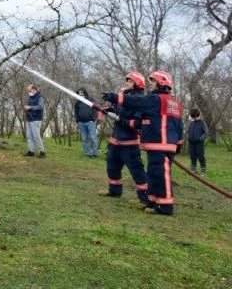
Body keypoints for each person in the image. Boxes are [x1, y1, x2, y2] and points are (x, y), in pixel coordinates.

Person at [103, 70, 184, 215]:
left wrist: (115, 97)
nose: (151, 84)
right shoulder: (174, 103)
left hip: (161, 143)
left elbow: (136, 102)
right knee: (153, 173)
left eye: (153, 81)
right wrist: (179, 143)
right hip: (159, 144)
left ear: (161, 83)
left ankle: (165, 206)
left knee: (161, 174)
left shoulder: (156, 99)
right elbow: (179, 125)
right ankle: (152, 202)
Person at [98, 72, 148, 207]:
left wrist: (124, 121)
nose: (127, 83)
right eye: (127, 81)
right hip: (116, 140)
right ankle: (114, 191)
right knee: (112, 166)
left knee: (136, 170)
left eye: (130, 81)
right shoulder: (125, 95)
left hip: (129, 142)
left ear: (137, 83)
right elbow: (117, 108)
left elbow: (138, 122)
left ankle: (144, 197)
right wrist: (108, 109)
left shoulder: (139, 100)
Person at [74, 88, 99, 157]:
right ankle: (87, 153)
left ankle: (95, 153)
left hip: (90, 122)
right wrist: (77, 120)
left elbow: (95, 110)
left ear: (85, 92)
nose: (80, 94)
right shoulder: (77, 102)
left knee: (93, 137)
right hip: (81, 123)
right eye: (79, 93)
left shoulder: (91, 100)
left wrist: (93, 119)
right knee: (84, 139)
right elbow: (75, 112)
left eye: (81, 92)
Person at [23, 84, 45, 158]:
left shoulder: (40, 97)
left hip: (36, 119)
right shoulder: (30, 98)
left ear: (33, 89)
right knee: (29, 136)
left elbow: (40, 106)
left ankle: (42, 152)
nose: (28, 92)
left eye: (29, 90)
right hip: (29, 119)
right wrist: (26, 107)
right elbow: (29, 107)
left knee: (36, 136)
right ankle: (31, 151)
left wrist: (30, 107)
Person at [187, 107, 209, 176]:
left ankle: (203, 171)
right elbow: (188, 131)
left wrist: (200, 139)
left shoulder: (202, 122)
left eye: (196, 116)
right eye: (193, 117)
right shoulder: (191, 123)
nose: (195, 118)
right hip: (191, 143)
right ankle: (193, 170)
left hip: (199, 144)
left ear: (198, 115)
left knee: (200, 156)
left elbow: (206, 133)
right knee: (192, 156)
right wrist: (189, 137)